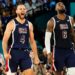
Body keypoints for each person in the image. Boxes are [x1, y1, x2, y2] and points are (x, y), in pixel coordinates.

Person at [2, 2, 40, 75]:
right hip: (13, 53)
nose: (22, 10)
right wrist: (5, 53)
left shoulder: (29, 24)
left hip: (25, 53)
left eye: (24, 9)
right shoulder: (11, 24)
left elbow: (32, 42)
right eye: (20, 9)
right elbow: (4, 41)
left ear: (26, 11)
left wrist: (36, 56)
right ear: (16, 11)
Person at [45, 2, 75, 75]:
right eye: (59, 4)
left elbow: (73, 35)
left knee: (73, 72)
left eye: (62, 4)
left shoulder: (71, 19)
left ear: (65, 8)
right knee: (58, 73)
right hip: (58, 51)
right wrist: (49, 52)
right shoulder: (52, 21)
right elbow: (47, 38)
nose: (61, 5)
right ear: (56, 9)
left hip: (69, 50)